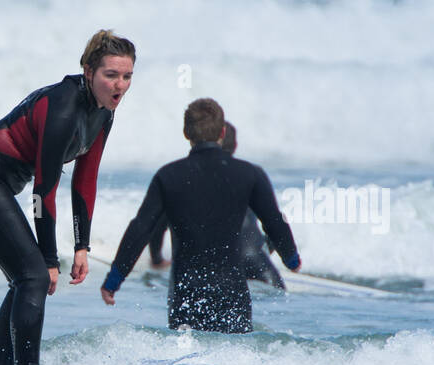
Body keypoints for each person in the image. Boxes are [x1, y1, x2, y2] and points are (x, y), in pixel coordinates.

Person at [0, 30, 135, 365]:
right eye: (111, 75)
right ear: (88, 70)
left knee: (23, 279)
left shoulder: (103, 114)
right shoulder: (63, 106)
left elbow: (85, 181)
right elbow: (44, 190)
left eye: (127, 77)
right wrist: (50, 258)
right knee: (33, 275)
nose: (120, 85)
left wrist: (82, 246)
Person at [101, 98, 300, 333]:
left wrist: (115, 279)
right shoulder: (249, 174)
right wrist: (291, 259)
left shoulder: (168, 175)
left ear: (186, 132)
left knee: (187, 358)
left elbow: (142, 228)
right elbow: (274, 221)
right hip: (232, 293)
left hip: (186, 293)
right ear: (222, 132)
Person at [147, 121, 286, 289]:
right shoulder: (251, 174)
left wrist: (157, 259)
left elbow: (158, 224)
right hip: (262, 270)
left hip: (219, 274)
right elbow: (277, 222)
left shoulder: (184, 177)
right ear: (235, 146)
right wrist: (262, 253)